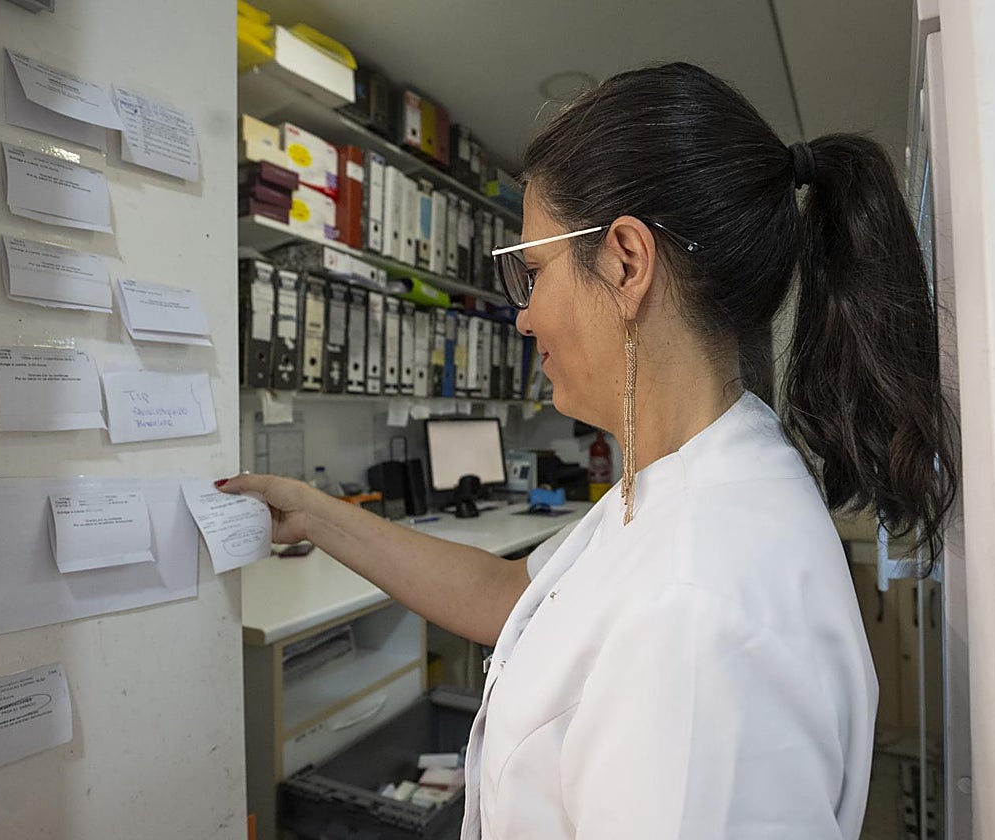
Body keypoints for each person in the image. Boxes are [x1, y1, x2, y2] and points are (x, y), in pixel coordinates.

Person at [218, 62, 957, 839]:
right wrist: (317, 513)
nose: (524, 317)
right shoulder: (689, 473)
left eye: (532, 271)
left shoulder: (700, 611)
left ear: (627, 263)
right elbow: (512, 599)